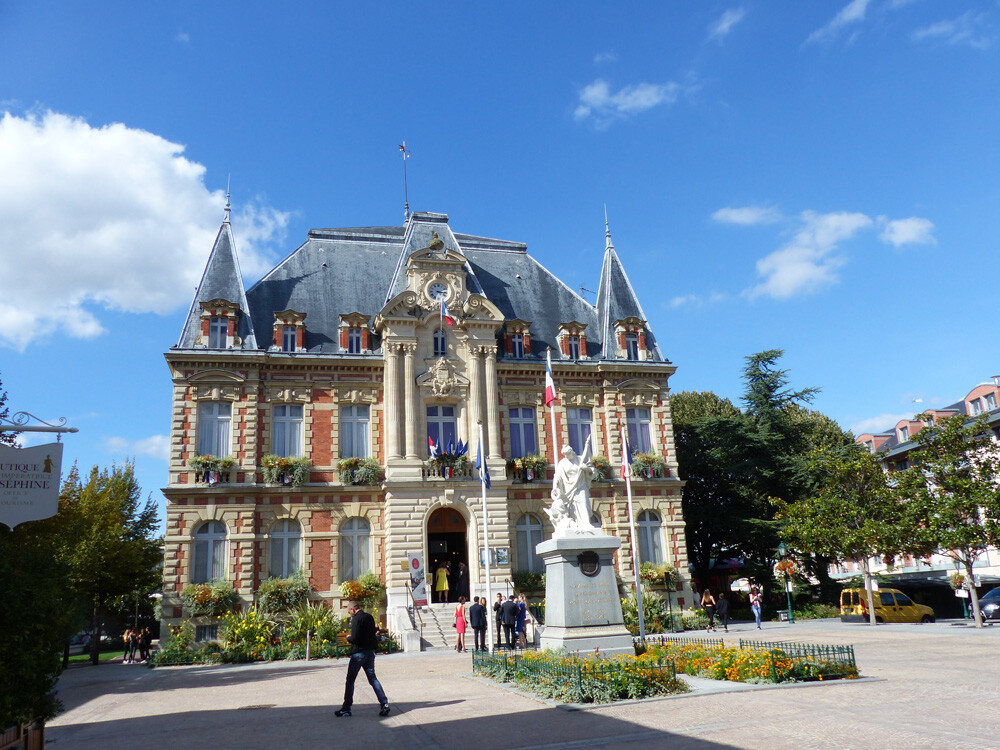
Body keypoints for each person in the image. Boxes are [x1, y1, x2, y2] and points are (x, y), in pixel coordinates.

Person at [335, 601, 390, 718]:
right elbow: (372, 633)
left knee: (350, 680)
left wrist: (349, 638)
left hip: (358, 654)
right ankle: (384, 703)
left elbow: (355, 638)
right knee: (372, 678)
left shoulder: (356, 620)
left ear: (353, 609)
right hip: (370, 653)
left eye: (349, 611)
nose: (349, 613)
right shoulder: (369, 617)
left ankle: (346, 708)